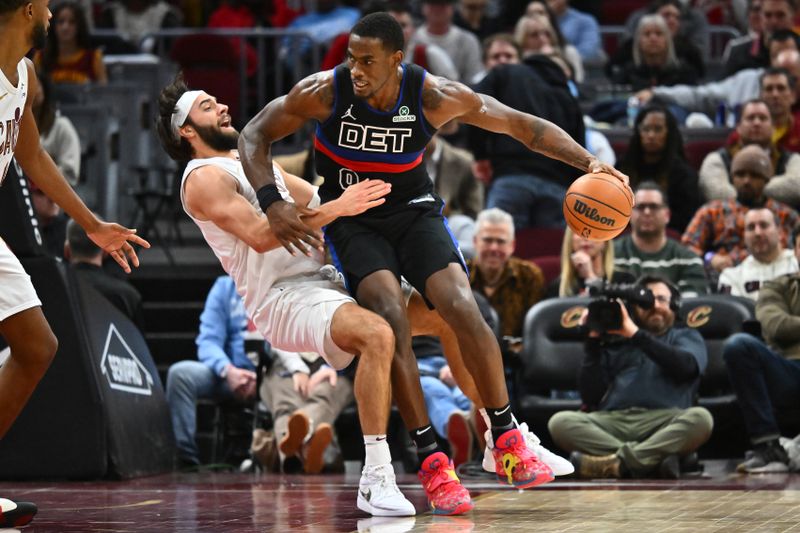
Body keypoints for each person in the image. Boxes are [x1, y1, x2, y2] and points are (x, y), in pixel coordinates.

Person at [239, 11, 610, 505]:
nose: (356, 69)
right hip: (355, 219)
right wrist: (273, 202)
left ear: (398, 60)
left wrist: (589, 162)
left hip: (415, 212)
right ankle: (432, 460)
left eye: (368, 61)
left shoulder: (433, 95)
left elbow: (524, 127)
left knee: (460, 305)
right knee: (390, 320)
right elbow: (253, 135)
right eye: (351, 57)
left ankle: (506, 437)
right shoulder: (325, 91)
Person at [156, 77, 494, 515]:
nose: (222, 105)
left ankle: (493, 433)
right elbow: (262, 235)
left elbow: (322, 197)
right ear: (186, 129)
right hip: (281, 296)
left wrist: (385, 193)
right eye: (207, 105)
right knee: (377, 334)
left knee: (446, 315)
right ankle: (376, 477)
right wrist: (340, 207)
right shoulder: (201, 177)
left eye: (216, 98)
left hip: (324, 275)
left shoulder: (254, 163)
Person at [0, 2, 149, 527]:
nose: (53, 10)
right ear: (25, 11)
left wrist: (91, 223)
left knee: (37, 346)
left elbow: (33, 156)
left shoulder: (22, 72)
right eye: (45, 3)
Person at [548, 276, 713, 479]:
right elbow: (590, 397)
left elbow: (686, 368)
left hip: (664, 421)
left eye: (661, 299)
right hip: (614, 422)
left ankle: (614, 464)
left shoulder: (685, 336)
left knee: (701, 419)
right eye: (646, 302)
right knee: (560, 422)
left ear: (675, 304)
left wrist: (636, 335)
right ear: (634, 309)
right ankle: (651, 461)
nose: (654, 306)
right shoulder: (616, 339)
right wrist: (592, 344)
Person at [468, 29, 587, 230]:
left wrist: (480, 156)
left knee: (498, 249)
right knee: (551, 254)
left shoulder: (505, 72)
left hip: (512, 177)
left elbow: (473, 106)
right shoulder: (567, 95)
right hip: (557, 188)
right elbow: (580, 148)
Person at [165, 276, 258, 467]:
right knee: (180, 374)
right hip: (228, 375)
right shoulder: (225, 287)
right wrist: (227, 370)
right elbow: (208, 341)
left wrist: (264, 375)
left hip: (271, 375)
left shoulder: (278, 283)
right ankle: (186, 460)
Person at [722, 263, 800, 472]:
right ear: (795, 251)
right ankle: (768, 447)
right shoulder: (776, 286)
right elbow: (775, 325)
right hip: (789, 370)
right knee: (738, 345)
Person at [682, 145, 800, 274]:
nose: (746, 181)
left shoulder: (786, 215)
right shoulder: (712, 211)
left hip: (777, 278)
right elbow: (687, 247)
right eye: (740, 174)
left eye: (754, 175)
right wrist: (710, 258)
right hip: (723, 279)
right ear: (732, 178)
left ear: (766, 180)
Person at [260, 348, 354, 474]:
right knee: (286, 404)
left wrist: (329, 367)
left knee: (324, 396)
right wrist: (298, 369)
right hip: (285, 365)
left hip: (336, 367)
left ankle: (293, 456)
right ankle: (307, 450)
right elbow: (275, 335)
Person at [617, 104, 701, 233]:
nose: (651, 135)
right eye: (646, 129)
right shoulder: (622, 168)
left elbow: (687, 220)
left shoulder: (683, 174)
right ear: (638, 132)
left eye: (657, 129)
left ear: (669, 133)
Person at [614, 183, 708, 297]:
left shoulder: (688, 259)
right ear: (629, 214)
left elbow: (692, 305)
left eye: (654, 207)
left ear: (667, 215)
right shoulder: (612, 255)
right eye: (640, 207)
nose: (647, 212)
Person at [698, 99, 800, 202]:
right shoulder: (717, 159)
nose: (756, 123)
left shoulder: (792, 159)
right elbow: (716, 191)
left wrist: (748, 192)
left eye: (763, 118)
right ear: (738, 127)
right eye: (750, 118)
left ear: (773, 127)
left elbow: (796, 185)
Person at [64, 218, 146, 330]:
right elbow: (137, 343)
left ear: (66, 250)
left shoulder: (52, 290)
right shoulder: (127, 296)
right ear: (105, 252)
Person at [718, 207, 799, 299]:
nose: (757, 233)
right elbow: (732, 311)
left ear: (780, 232)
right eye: (751, 227)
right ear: (744, 236)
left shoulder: (796, 262)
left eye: (764, 225)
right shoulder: (732, 277)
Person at [606, 14, 700, 91]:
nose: (653, 38)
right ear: (638, 41)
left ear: (668, 41)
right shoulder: (626, 73)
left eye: (659, 34)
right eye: (647, 34)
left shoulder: (684, 72)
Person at [547, 227, 635, 298]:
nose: (586, 237)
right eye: (579, 231)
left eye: (594, 230)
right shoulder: (557, 287)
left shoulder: (624, 281)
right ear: (570, 240)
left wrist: (591, 277)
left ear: (605, 241)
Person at [408, 0, 483, 83]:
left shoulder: (468, 41)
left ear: (452, 8)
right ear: (423, 7)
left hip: (459, 93)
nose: (437, 9)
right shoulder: (411, 39)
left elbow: (475, 79)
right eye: (433, 4)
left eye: (443, 5)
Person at [34, 2, 106, 85]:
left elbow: (103, 94)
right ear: (52, 25)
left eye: (72, 22)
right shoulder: (40, 58)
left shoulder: (93, 58)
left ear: (80, 26)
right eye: (60, 22)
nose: (65, 27)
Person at [722, 0, 797, 77]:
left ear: (792, 17)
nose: (774, 21)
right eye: (768, 15)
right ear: (761, 17)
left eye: (780, 15)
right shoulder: (738, 52)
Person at [31, 69, 80, 185]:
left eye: (35, 85)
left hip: (50, 195)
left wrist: (37, 180)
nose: (31, 91)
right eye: (25, 86)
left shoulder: (62, 126)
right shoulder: (12, 125)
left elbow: (70, 173)